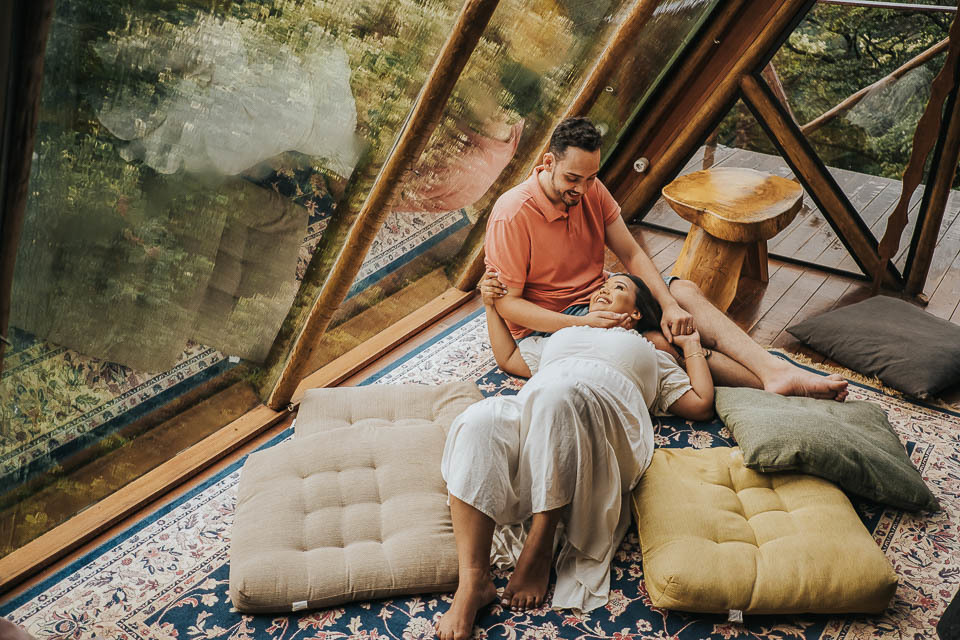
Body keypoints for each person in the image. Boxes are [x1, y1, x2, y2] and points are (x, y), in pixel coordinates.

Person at [482, 116, 848, 402]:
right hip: (555, 320)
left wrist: (669, 303)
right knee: (665, 343)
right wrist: (584, 323)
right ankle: (771, 381)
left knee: (684, 294)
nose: (582, 189)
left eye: (591, 178)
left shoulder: (591, 190)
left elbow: (631, 253)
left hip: (599, 293)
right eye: (572, 179)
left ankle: (772, 369)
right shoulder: (512, 214)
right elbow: (508, 306)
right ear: (548, 162)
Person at [436, 274, 714, 640]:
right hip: (535, 408)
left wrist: (691, 343)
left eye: (618, 288)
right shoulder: (563, 334)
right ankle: (473, 582)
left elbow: (700, 403)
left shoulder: (650, 351)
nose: (604, 290)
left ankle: (539, 545)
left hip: (603, 427)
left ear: (634, 314)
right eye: (603, 286)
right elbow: (508, 358)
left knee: (559, 396)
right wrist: (490, 306)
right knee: (479, 419)